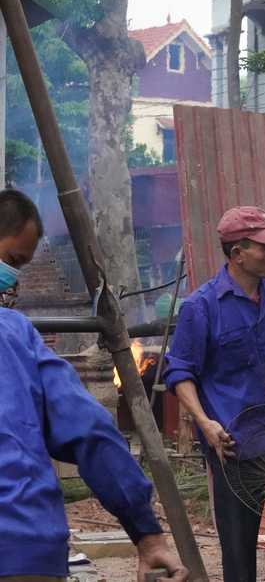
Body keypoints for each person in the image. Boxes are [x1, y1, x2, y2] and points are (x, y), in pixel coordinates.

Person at [0, 189, 187, 582]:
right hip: (23, 542)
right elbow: (89, 430)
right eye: (14, 262)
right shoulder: (16, 335)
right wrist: (147, 536)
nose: (13, 279)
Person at [164, 206, 265, 582]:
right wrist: (205, 423)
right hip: (235, 448)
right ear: (237, 253)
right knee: (239, 551)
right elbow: (180, 374)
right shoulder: (200, 307)